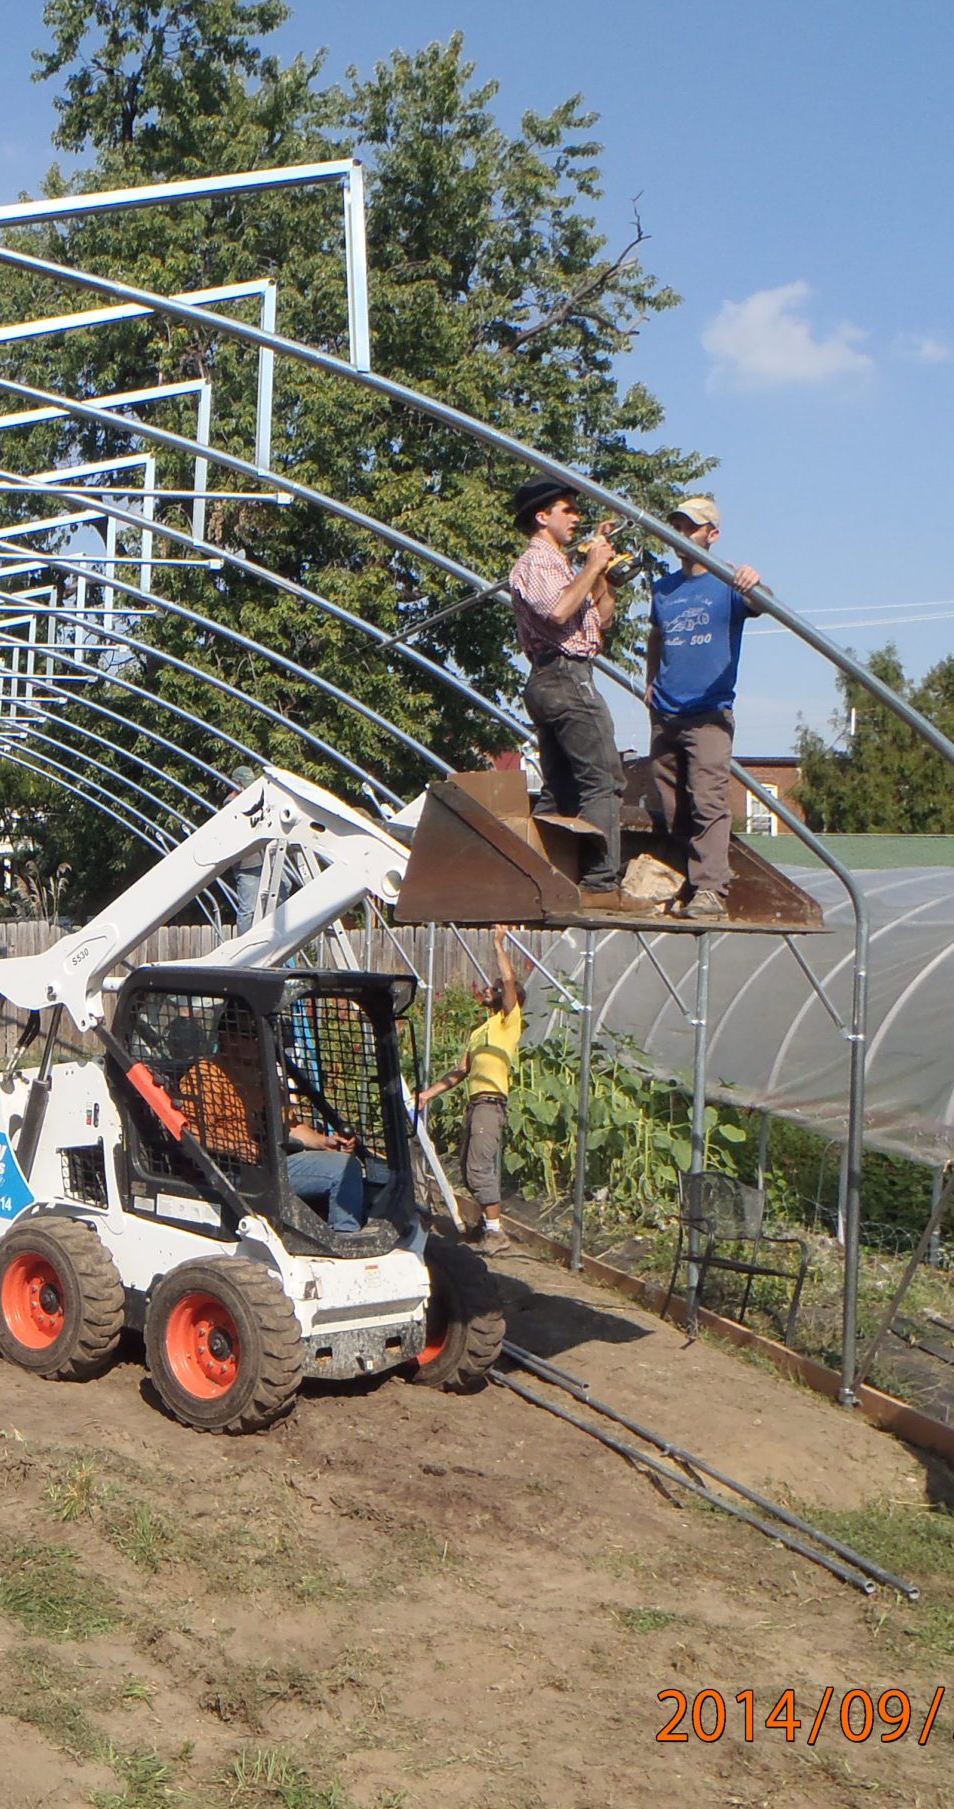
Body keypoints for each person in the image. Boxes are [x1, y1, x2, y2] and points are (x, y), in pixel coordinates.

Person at [507, 476, 627, 900]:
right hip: (564, 677)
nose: (576, 517)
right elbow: (559, 611)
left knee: (561, 788)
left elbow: (601, 619)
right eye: (567, 510)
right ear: (542, 517)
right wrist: (592, 565)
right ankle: (601, 882)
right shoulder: (537, 563)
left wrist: (606, 576)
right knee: (603, 781)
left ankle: (540, 873)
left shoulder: (560, 566)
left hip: (560, 678)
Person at [645, 496, 765, 922]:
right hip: (667, 711)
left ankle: (711, 890)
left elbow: (761, 601)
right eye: (677, 525)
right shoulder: (664, 588)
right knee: (670, 801)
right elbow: (656, 637)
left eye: (690, 527)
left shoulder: (727, 583)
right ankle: (682, 880)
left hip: (710, 712)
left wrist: (753, 581)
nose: (682, 534)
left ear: (711, 535)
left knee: (709, 799)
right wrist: (650, 681)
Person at [175, 1016, 383, 1231]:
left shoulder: (264, 1074)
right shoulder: (206, 1075)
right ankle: (346, 1235)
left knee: (348, 1164)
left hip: (268, 1163)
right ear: (228, 1038)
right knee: (342, 1170)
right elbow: (189, 1132)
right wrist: (234, 1147)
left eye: (260, 1036)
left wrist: (324, 1142)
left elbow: (289, 1125)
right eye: (251, 1036)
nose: (258, 1042)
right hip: (231, 1171)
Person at [416, 929, 525, 1248]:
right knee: (468, 1169)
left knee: (479, 1168)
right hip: (475, 1104)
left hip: (491, 1104)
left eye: (495, 989)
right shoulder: (480, 1032)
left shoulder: (508, 1022)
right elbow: (461, 1071)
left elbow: (508, 982)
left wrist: (497, 944)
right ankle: (485, 1225)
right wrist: (427, 1094)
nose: (489, 990)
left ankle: (495, 1231)